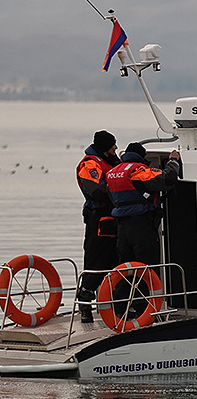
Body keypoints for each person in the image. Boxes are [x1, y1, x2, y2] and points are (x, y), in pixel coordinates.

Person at [106, 141, 182, 267]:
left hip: (121, 227)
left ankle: (126, 281)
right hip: (141, 225)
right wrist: (173, 161)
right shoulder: (138, 170)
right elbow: (167, 179)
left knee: (125, 266)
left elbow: (111, 196)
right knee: (147, 263)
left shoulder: (112, 173)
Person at [74, 130, 120, 322]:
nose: (116, 147)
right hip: (98, 220)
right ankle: (85, 303)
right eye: (113, 144)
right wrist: (118, 187)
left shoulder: (113, 162)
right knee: (96, 262)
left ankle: (116, 304)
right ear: (104, 146)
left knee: (115, 261)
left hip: (115, 220)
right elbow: (95, 190)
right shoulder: (90, 164)